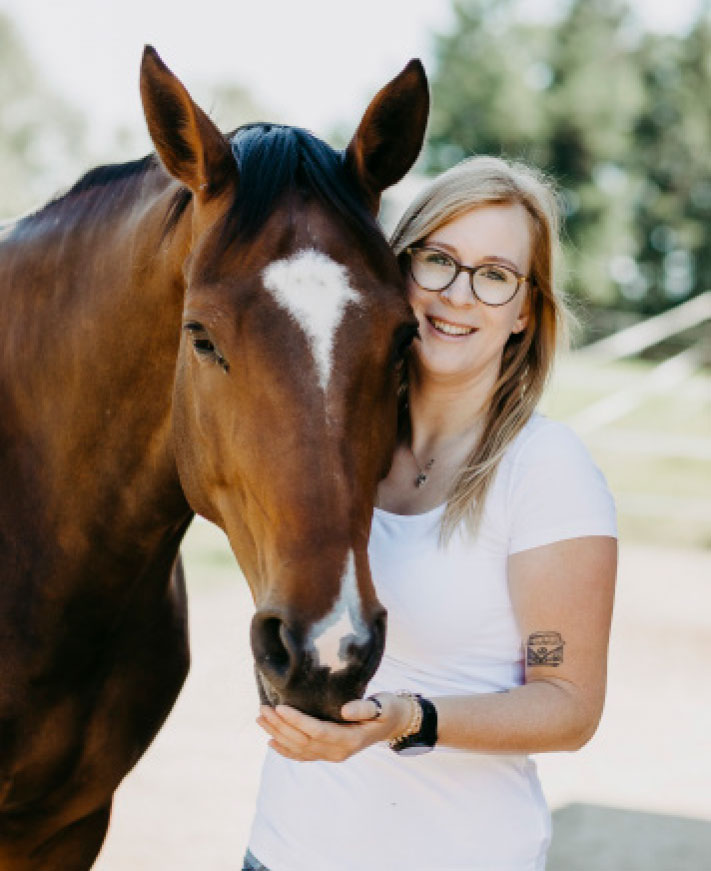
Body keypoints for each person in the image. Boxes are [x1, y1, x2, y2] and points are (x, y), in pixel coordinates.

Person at [244, 156, 618, 871]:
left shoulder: (546, 470)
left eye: (494, 275)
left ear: (523, 313)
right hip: (282, 849)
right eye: (437, 260)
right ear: (396, 270)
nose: (457, 295)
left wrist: (404, 718)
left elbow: (568, 703)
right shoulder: (329, 441)